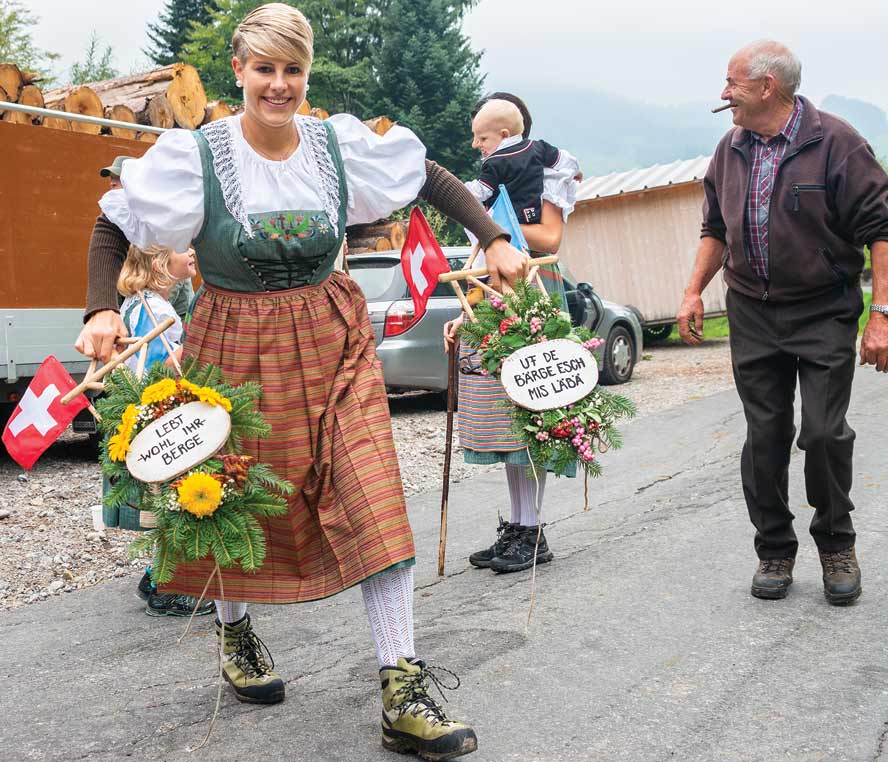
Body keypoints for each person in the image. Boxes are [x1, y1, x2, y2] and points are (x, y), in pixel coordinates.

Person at [75, 5, 529, 759]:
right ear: (240, 71)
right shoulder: (198, 154)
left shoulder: (335, 145)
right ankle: (236, 631)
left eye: (293, 70)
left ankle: (402, 687)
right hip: (233, 341)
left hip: (333, 339)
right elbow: (113, 221)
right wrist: (98, 307)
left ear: (305, 74)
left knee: (373, 494)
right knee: (234, 501)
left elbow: (427, 176)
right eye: (265, 70)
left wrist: (496, 241)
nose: (279, 85)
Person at [676, 40, 888, 606]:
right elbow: (715, 229)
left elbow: (884, 229)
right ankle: (774, 549)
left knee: (824, 433)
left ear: (766, 86)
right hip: (752, 311)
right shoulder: (729, 149)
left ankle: (836, 545)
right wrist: (692, 292)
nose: (723, 94)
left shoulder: (836, 142)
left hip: (823, 309)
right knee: (765, 437)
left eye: (731, 83)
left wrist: (882, 315)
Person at [443, 92, 581, 574]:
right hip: (496, 298)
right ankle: (520, 526)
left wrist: (497, 231)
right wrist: (467, 313)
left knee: (531, 415)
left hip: (536, 296)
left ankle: (533, 528)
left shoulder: (542, 174)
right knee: (505, 421)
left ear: (509, 134)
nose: (477, 145)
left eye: (483, 136)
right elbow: (484, 257)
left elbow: (548, 238)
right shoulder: (495, 178)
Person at [106, 244, 214, 618]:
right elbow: (165, 365)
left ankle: (155, 576)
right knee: (177, 498)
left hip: (143, 412)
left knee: (169, 497)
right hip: (162, 412)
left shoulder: (137, 303)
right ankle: (169, 587)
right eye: (182, 249)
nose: (192, 252)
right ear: (159, 263)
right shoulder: (159, 310)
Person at [97, 157, 194, 320]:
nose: (112, 183)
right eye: (111, 178)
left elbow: (162, 292)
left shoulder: (155, 222)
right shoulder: (117, 222)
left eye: (118, 178)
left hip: (165, 309)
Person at [464, 99, 574, 225]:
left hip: (505, 220)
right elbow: (565, 159)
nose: (476, 144)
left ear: (504, 135)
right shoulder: (537, 147)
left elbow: (481, 191)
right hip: (533, 216)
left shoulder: (494, 163)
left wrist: (459, 189)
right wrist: (574, 171)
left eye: (483, 138)